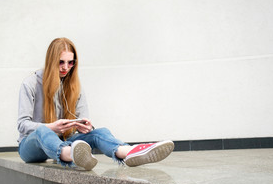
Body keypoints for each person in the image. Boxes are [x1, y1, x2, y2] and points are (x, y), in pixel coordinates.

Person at [17, 37, 174, 170]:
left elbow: (84, 120)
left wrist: (84, 127)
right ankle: (69, 154)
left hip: (63, 141)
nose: (66, 68)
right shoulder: (30, 84)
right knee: (43, 131)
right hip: (31, 147)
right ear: (51, 61)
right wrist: (52, 127)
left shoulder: (74, 86)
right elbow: (22, 124)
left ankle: (128, 151)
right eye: (61, 62)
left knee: (100, 132)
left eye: (71, 63)